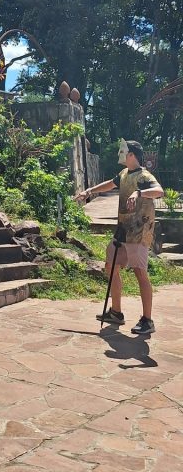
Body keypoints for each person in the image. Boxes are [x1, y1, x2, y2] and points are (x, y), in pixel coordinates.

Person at [76, 139, 163, 336]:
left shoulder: (144, 176)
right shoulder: (124, 174)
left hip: (139, 233)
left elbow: (159, 191)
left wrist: (139, 193)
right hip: (123, 231)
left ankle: (148, 320)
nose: (119, 154)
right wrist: (89, 191)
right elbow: (110, 184)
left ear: (132, 154)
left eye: (123, 151)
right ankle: (116, 312)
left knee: (140, 273)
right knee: (111, 266)